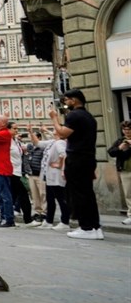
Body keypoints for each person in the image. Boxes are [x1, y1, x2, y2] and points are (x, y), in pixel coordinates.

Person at [48, 89, 103, 240]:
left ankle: (86, 228)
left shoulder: (74, 115)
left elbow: (62, 133)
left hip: (77, 158)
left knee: (78, 194)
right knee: (87, 193)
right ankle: (95, 227)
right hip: (88, 157)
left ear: (74, 100)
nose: (65, 103)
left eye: (66, 100)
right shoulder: (89, 116)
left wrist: (54, 118)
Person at [35, 126, 70, 230]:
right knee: (50, 199)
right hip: (50, 176)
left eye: (56, 130)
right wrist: (34, 132)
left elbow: (63, 154)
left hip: (56, 176)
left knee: (60, 198)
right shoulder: (54, 141)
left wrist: (59, 165)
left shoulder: (59, 143)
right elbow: (40, 142)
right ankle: (49, 220)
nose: (53, 131)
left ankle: (65, 222)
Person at [8, 123, 35, 226]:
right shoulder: (7, 141)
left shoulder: (16, 141)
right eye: (14, 128)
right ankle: (27, 219)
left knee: (14, 196)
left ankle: (8, 217)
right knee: (22, 195)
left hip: (18, 172)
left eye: (17, 128)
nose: (16, 130)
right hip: (12, 172)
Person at [107, 120, 131, 226]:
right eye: (124, 129)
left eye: (129, 129)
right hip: (125, 171)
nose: (126, 131)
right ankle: (130, 215)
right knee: (128, 194)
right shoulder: (120, 141)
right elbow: (111, 152)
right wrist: (119, 148)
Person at [26, 131, 47, 222]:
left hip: (40, 174)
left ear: (39, 138)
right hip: (32, 174)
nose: (32, 139)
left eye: (33, 137)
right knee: (34, 195)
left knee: (43, 194)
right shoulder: (31, 148)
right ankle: (37, 211)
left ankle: (44, 212)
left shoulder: (42, 148)